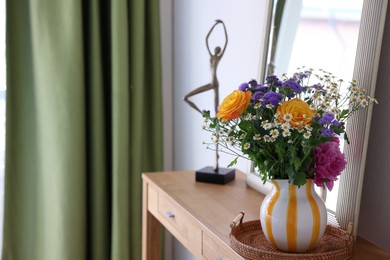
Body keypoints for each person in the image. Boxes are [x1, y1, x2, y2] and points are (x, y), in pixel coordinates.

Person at [183, 19, 228, 114]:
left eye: (218, 49)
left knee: (217, 110)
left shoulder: (218, 58)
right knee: (185, 98)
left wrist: (223, 25)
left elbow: (226, 41)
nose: (216, 50)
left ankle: (213, 121)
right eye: (216, 48)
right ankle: (203, 114)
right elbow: (206, 40)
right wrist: (215, 25)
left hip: (215, 83)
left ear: (219, 51)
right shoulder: (211, 57)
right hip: (210, 83)